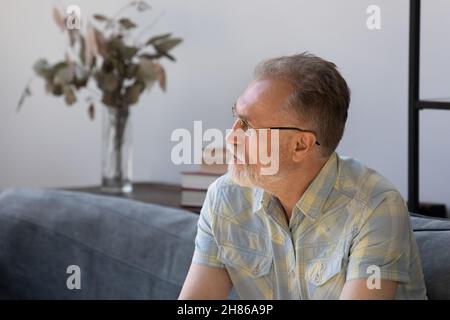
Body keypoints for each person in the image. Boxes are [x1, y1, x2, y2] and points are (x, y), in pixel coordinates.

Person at [179, 53, 427, 300]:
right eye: (236, 117)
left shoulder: (375, 207)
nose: (231, 137)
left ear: (300, 145)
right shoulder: (225, 198)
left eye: (248, 127)